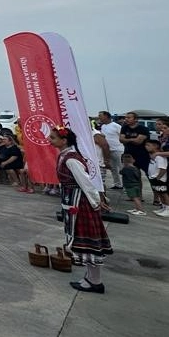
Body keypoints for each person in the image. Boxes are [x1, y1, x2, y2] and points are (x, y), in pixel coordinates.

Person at [49, 126, 112, 294]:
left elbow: (86, 183)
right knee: (82, 241)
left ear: (64, 141)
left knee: (87, 242)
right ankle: (91, 278)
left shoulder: (71, 159)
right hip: (72, 201)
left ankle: (95, 281)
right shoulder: (65, 156)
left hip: (80, 203)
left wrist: (96, 202)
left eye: (53, 137)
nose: (49, 140)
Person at [145, 139, 169, 217]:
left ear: (155, 146)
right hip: (154, 177)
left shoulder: (159, 157)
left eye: (148, 145)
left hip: (160, 179)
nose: (146, 147)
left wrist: (158, 178)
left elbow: (163, 169)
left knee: (164, 194)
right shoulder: (153, 157)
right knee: (159, 194)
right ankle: (164, 207)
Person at [97, 112, 124, 189]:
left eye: (100, 116)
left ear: (106, 116)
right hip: (108, 151)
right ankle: (118, 184)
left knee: (122, 168)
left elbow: (121, 136)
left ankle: (126, 184)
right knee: (113, 168)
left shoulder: (116, 126)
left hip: (118, 150)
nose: (99, 117)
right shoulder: (103, 126)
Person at [119, 112, 150, 176]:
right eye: (125, 117)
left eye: (129, 118)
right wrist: (132, 139)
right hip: (128, 154)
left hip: (142, 155)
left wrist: (127, 140)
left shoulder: (143, 128)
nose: (126, 119)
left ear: (136, 119)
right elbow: (121, 139)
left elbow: (138, 142)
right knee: (131, 175)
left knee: (149, 174)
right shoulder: (124, 128)